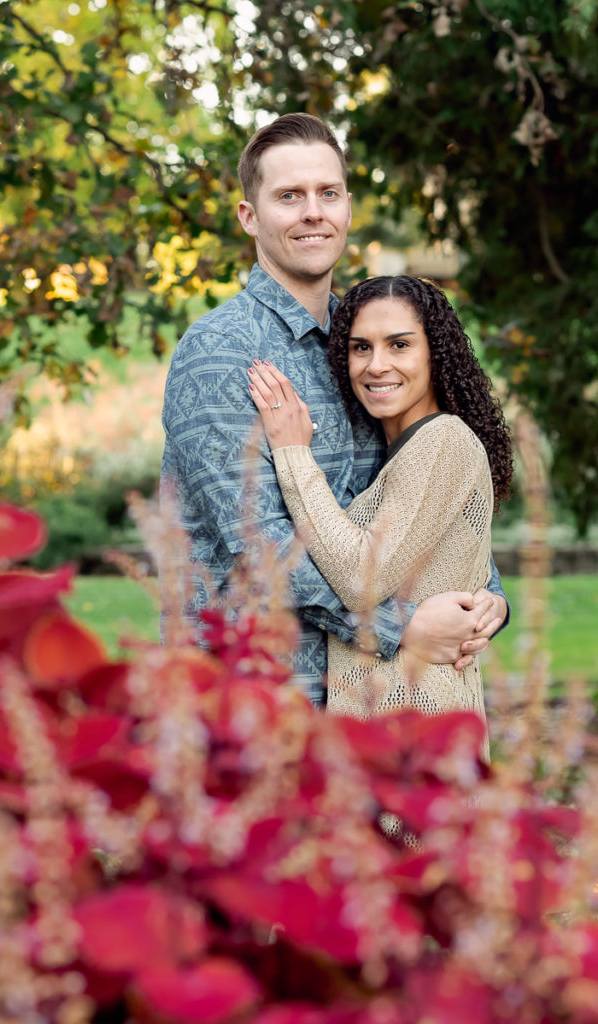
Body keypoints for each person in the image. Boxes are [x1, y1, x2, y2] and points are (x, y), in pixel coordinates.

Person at [161, 112, 509, 707]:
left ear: (348, 207)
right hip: (253, 701)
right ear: (250, 216)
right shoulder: (220, 353)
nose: (312, 212)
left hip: (372, 706)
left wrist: (486, 597)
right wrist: (402, 627)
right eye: (289, 196)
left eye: (327, 193)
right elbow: (255, 544)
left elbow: (426, 489)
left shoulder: (375, 339)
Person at [247, 276, 512, 746]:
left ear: (436, 353)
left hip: (417, 728)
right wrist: (495, 599)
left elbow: (361, 578)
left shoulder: (443, 442)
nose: (377, 365)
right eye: (360, 348)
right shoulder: (407, 448)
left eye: (399, 345)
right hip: (391, 724)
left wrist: (292, 453)